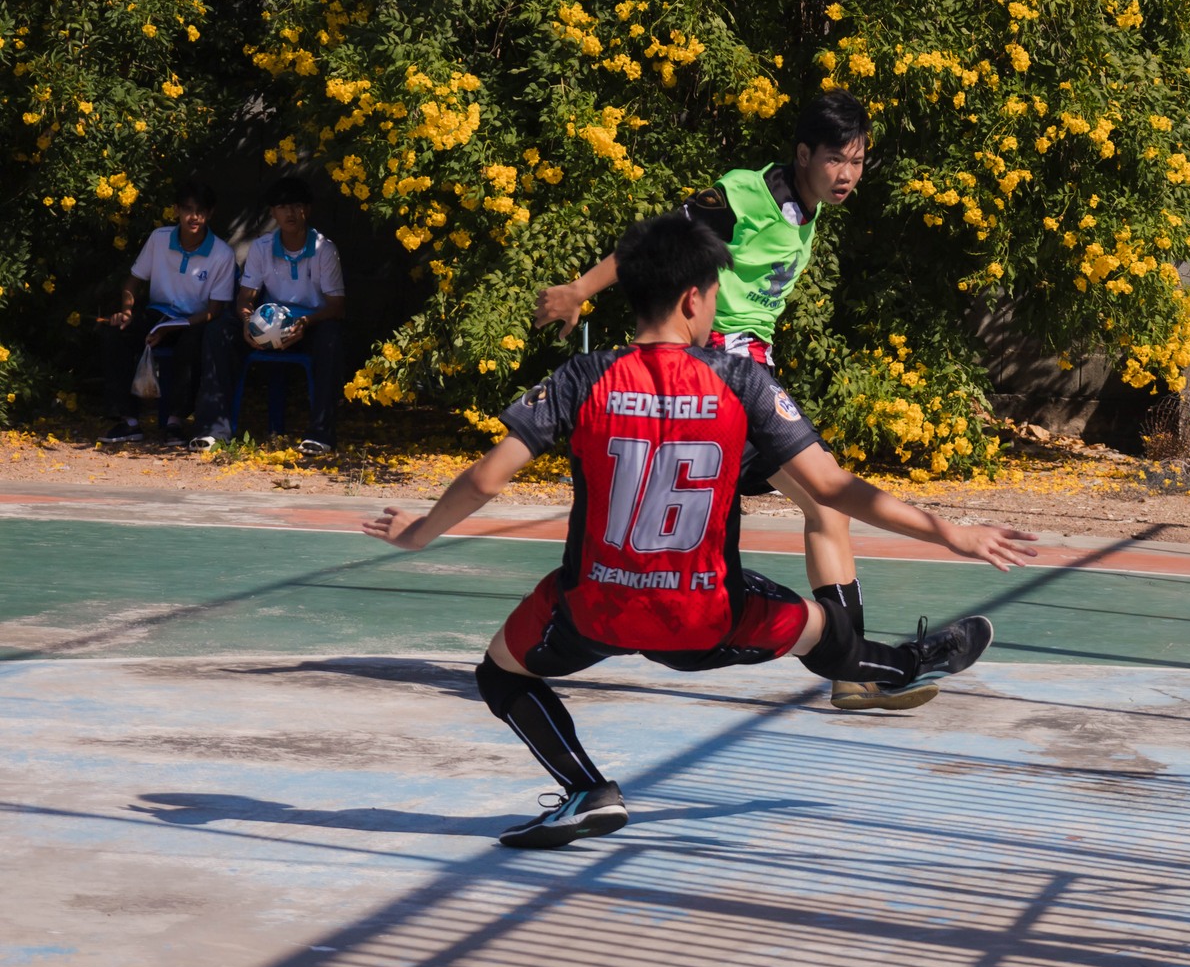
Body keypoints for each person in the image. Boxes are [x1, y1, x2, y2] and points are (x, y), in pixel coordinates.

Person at [367, 209, 1036, 849]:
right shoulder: (741, 380)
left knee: (499, 674)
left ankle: (588, 788)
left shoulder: (583, 376)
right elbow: (833, 488)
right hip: (704, 617)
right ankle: (903, 665)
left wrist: (421, 531)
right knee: (828, 632)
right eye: (714, 294)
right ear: (693, 299)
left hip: (594, 608)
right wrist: (953, 533)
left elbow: (487, 478)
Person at [533, 90, 898, 711]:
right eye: (836, 159)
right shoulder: (744, 196)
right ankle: (852, 666)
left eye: (858, 161)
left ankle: (848, 665)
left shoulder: (804, 208)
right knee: (827, 499)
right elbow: (659, 246)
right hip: (717, 373)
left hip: (739, 374)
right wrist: (578, 289)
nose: (847, 175)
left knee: (823, 508)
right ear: (804, 153)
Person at [191, 176, 348, 454]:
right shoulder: (262, 248)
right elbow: (245, 297)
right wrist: (246, 322)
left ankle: (320, 434)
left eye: (296, 206)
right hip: (268, 324)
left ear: (307, 210)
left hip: (309, 326)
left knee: (331, 338)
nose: (290, 213)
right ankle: (214, 430)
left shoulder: (324, 249)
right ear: (272, 213)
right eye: (282, 207)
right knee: (218, 332)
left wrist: (306, 322)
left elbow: (336, 306)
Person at [98, 178, 233, 443]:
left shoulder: (222, 253)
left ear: (210, 213)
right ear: (177, 211)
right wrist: (126, 311)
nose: (194, 217)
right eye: (187, 209)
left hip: (193, 320)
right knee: (117, 332)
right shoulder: (159, 239)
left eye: (201, 211)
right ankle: (129, 420)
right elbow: (133, 281)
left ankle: (175, 421)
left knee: (193, 344)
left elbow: (214, 311)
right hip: (157, 314)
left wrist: (177, 326)